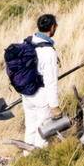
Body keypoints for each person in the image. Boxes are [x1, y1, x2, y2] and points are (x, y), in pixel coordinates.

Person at [22, 14, 61, 149]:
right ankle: (40, 160)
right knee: (43, 132)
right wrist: (54, 106)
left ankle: (27, 159)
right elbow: (51, 82)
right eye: (55, 26)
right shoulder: (49, 52)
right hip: (42, 95)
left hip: (27, 93)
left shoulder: (27, 42)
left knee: (30, 128)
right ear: (52, 28)